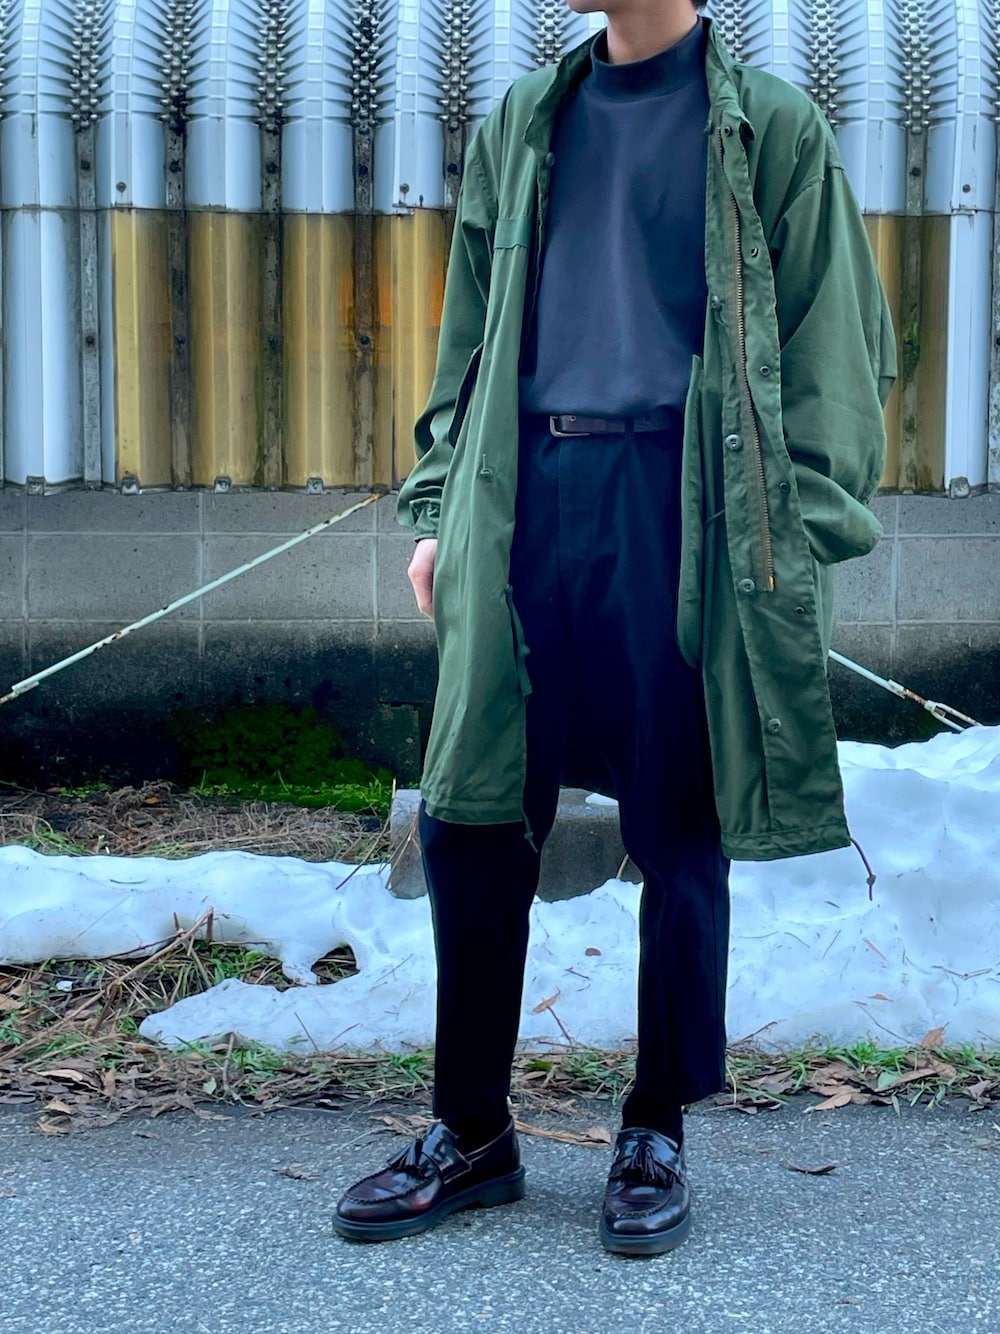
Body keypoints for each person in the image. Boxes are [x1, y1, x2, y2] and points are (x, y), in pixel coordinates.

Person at [333, 0, 896, 1255]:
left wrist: (788, 531)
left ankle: (655, 1123)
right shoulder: (525, 120)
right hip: (521, 491)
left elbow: (835, 347)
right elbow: (471, 333)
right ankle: (470, 1128)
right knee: (472, 809)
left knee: (676, 816)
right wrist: (440, 507)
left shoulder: (769, 128)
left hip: (682, 503)